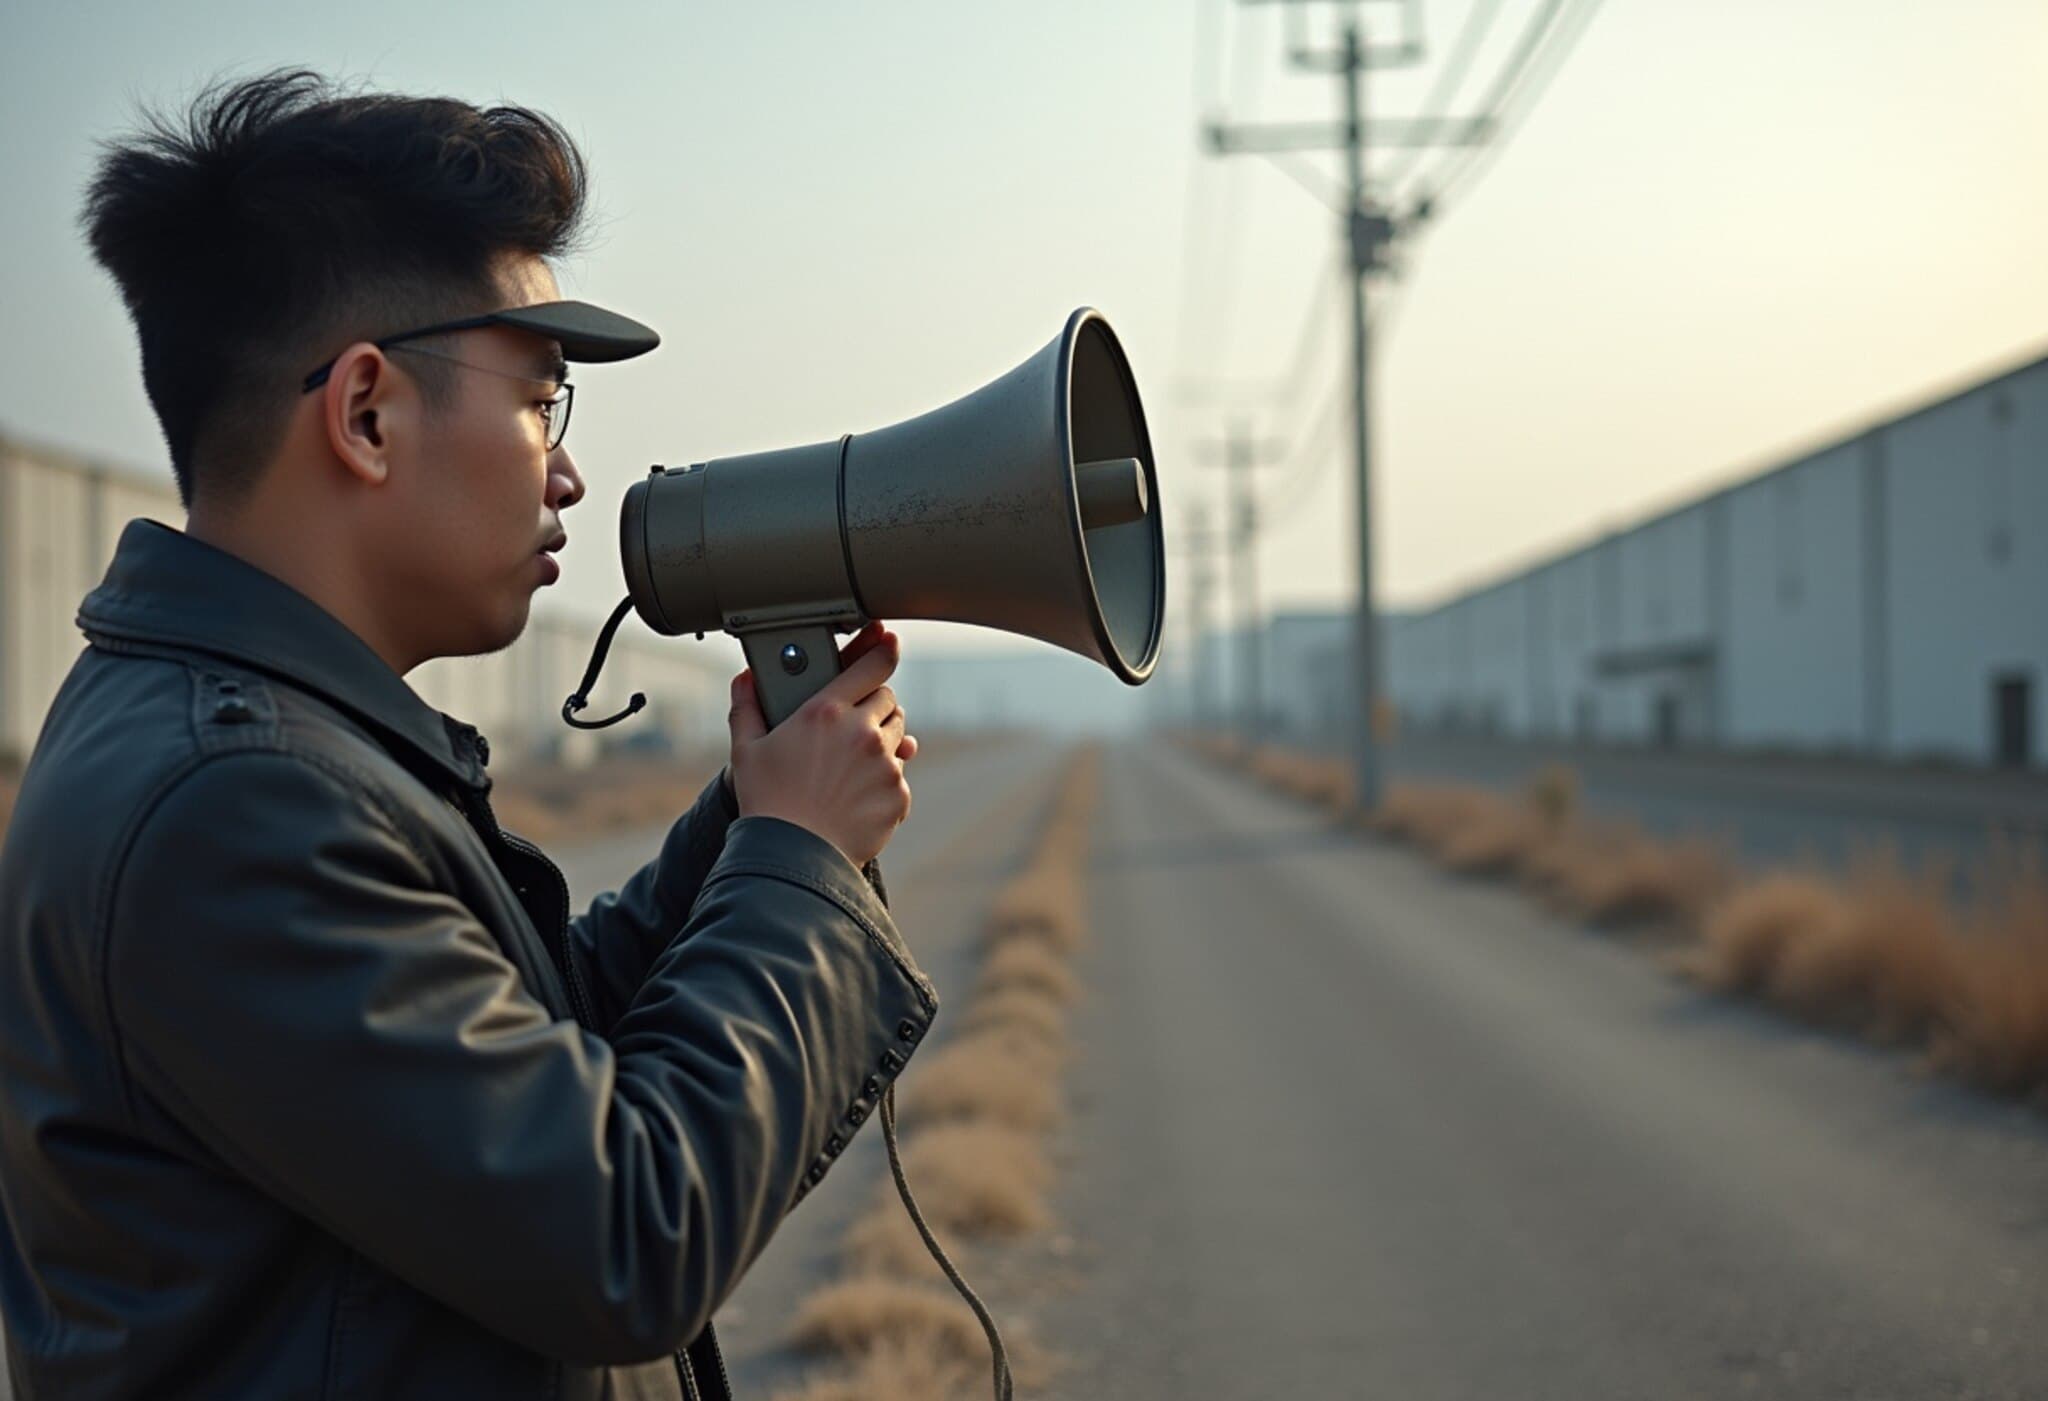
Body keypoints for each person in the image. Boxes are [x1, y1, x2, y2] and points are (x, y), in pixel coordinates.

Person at [0, 69, 935, 1401]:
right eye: (539, 396)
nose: (566, 470)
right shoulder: (234, 802)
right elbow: (622, 1231)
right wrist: (801, 864)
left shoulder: (257, 742)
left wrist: (753, 818)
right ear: (368, 412)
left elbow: (528, 1062)